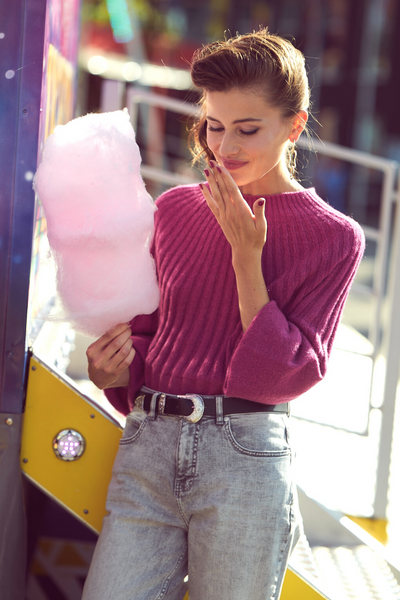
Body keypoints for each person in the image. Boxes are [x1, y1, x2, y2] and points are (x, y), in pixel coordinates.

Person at [82, 29, 365, 600]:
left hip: (245, 460)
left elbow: (278, 377)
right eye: (214, 126)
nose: (225, 147)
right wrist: (114, 370)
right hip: (149, 444)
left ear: (294, 123)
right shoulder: (175, 210)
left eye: (247, 129)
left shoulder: (335, 238)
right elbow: (149, 338)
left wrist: (246, 257)